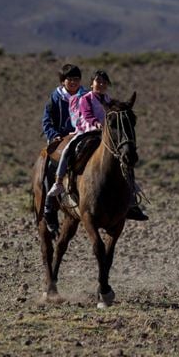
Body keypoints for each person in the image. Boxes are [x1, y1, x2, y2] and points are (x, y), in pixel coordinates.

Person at [47, 69, 148, 222]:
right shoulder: (86, 98)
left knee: (122, 155)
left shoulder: (108, 100)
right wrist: (97, 124)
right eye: (98, 81)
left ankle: (131, 195)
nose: (100, 84)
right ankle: (59, 182)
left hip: (104, 134)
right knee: (68, 149)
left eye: (103, 82)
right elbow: (87, 115)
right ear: (92, 83)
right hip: (86, 131)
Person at [42, 64, 87, 233]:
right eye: (70, 79)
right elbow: (46, 121)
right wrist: (54, 134)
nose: (74, 82)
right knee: (49, 166)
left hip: (81, 135)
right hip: (60, 138)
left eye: (77, 79)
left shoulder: (86, 96)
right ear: (63, 81)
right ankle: (49, 205)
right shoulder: (55, 97)